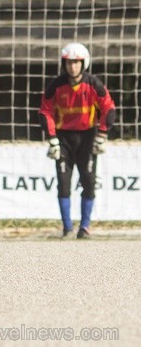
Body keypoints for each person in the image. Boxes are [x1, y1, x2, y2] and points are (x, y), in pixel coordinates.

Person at [38, 42, 116, 239]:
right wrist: (52, 139)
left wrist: (103, 135)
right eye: (69, 62)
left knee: (88, 182)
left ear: (84, 63)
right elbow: (45, 111)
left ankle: (85, 227)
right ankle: (67, 228)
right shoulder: (56, 85)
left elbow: (108, 107)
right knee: (63, 184)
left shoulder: (94, 84)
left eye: (76, 62)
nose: (72, 66)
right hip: (63, 139)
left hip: (88, 138)